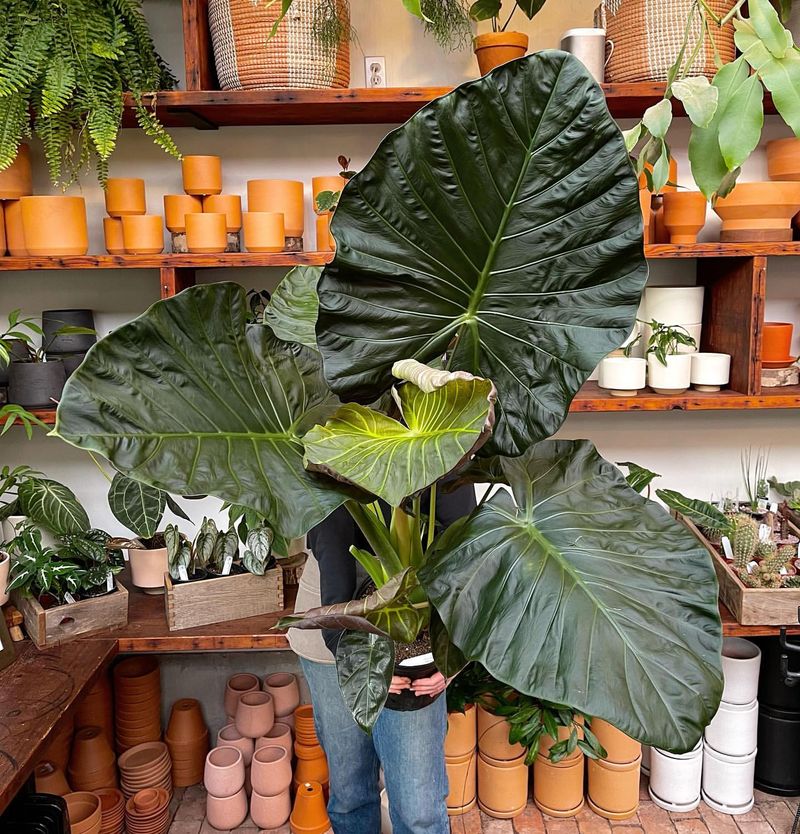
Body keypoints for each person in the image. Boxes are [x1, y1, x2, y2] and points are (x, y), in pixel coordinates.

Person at [287, 485, 476, 834]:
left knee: (419, 807)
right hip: (333, 608)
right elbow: (334, 547)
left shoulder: (440, 441)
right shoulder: (335, 438)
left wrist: (454, 653)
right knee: (350, 791)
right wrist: (360, 664)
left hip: (418, 620)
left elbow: (467, 552)